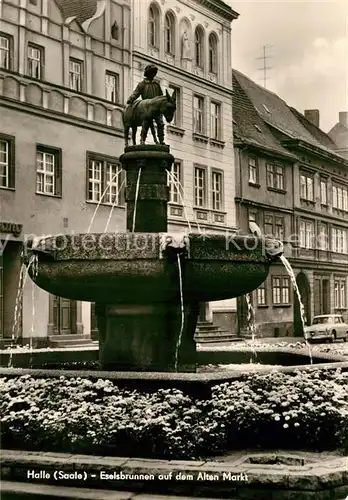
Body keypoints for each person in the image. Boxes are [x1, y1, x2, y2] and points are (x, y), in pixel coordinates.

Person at [126, 64, 165, 143]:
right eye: (152, 72)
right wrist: (131, 99)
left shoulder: (156, 84)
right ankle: (142, 139)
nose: (154, 74)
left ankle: (161, 140)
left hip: (156, 108)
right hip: (146, 107)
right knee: (146, 121)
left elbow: (161, 96)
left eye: (155, 73)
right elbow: (136, 93)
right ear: (148, 73)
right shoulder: (142, 84)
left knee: (160, 123)